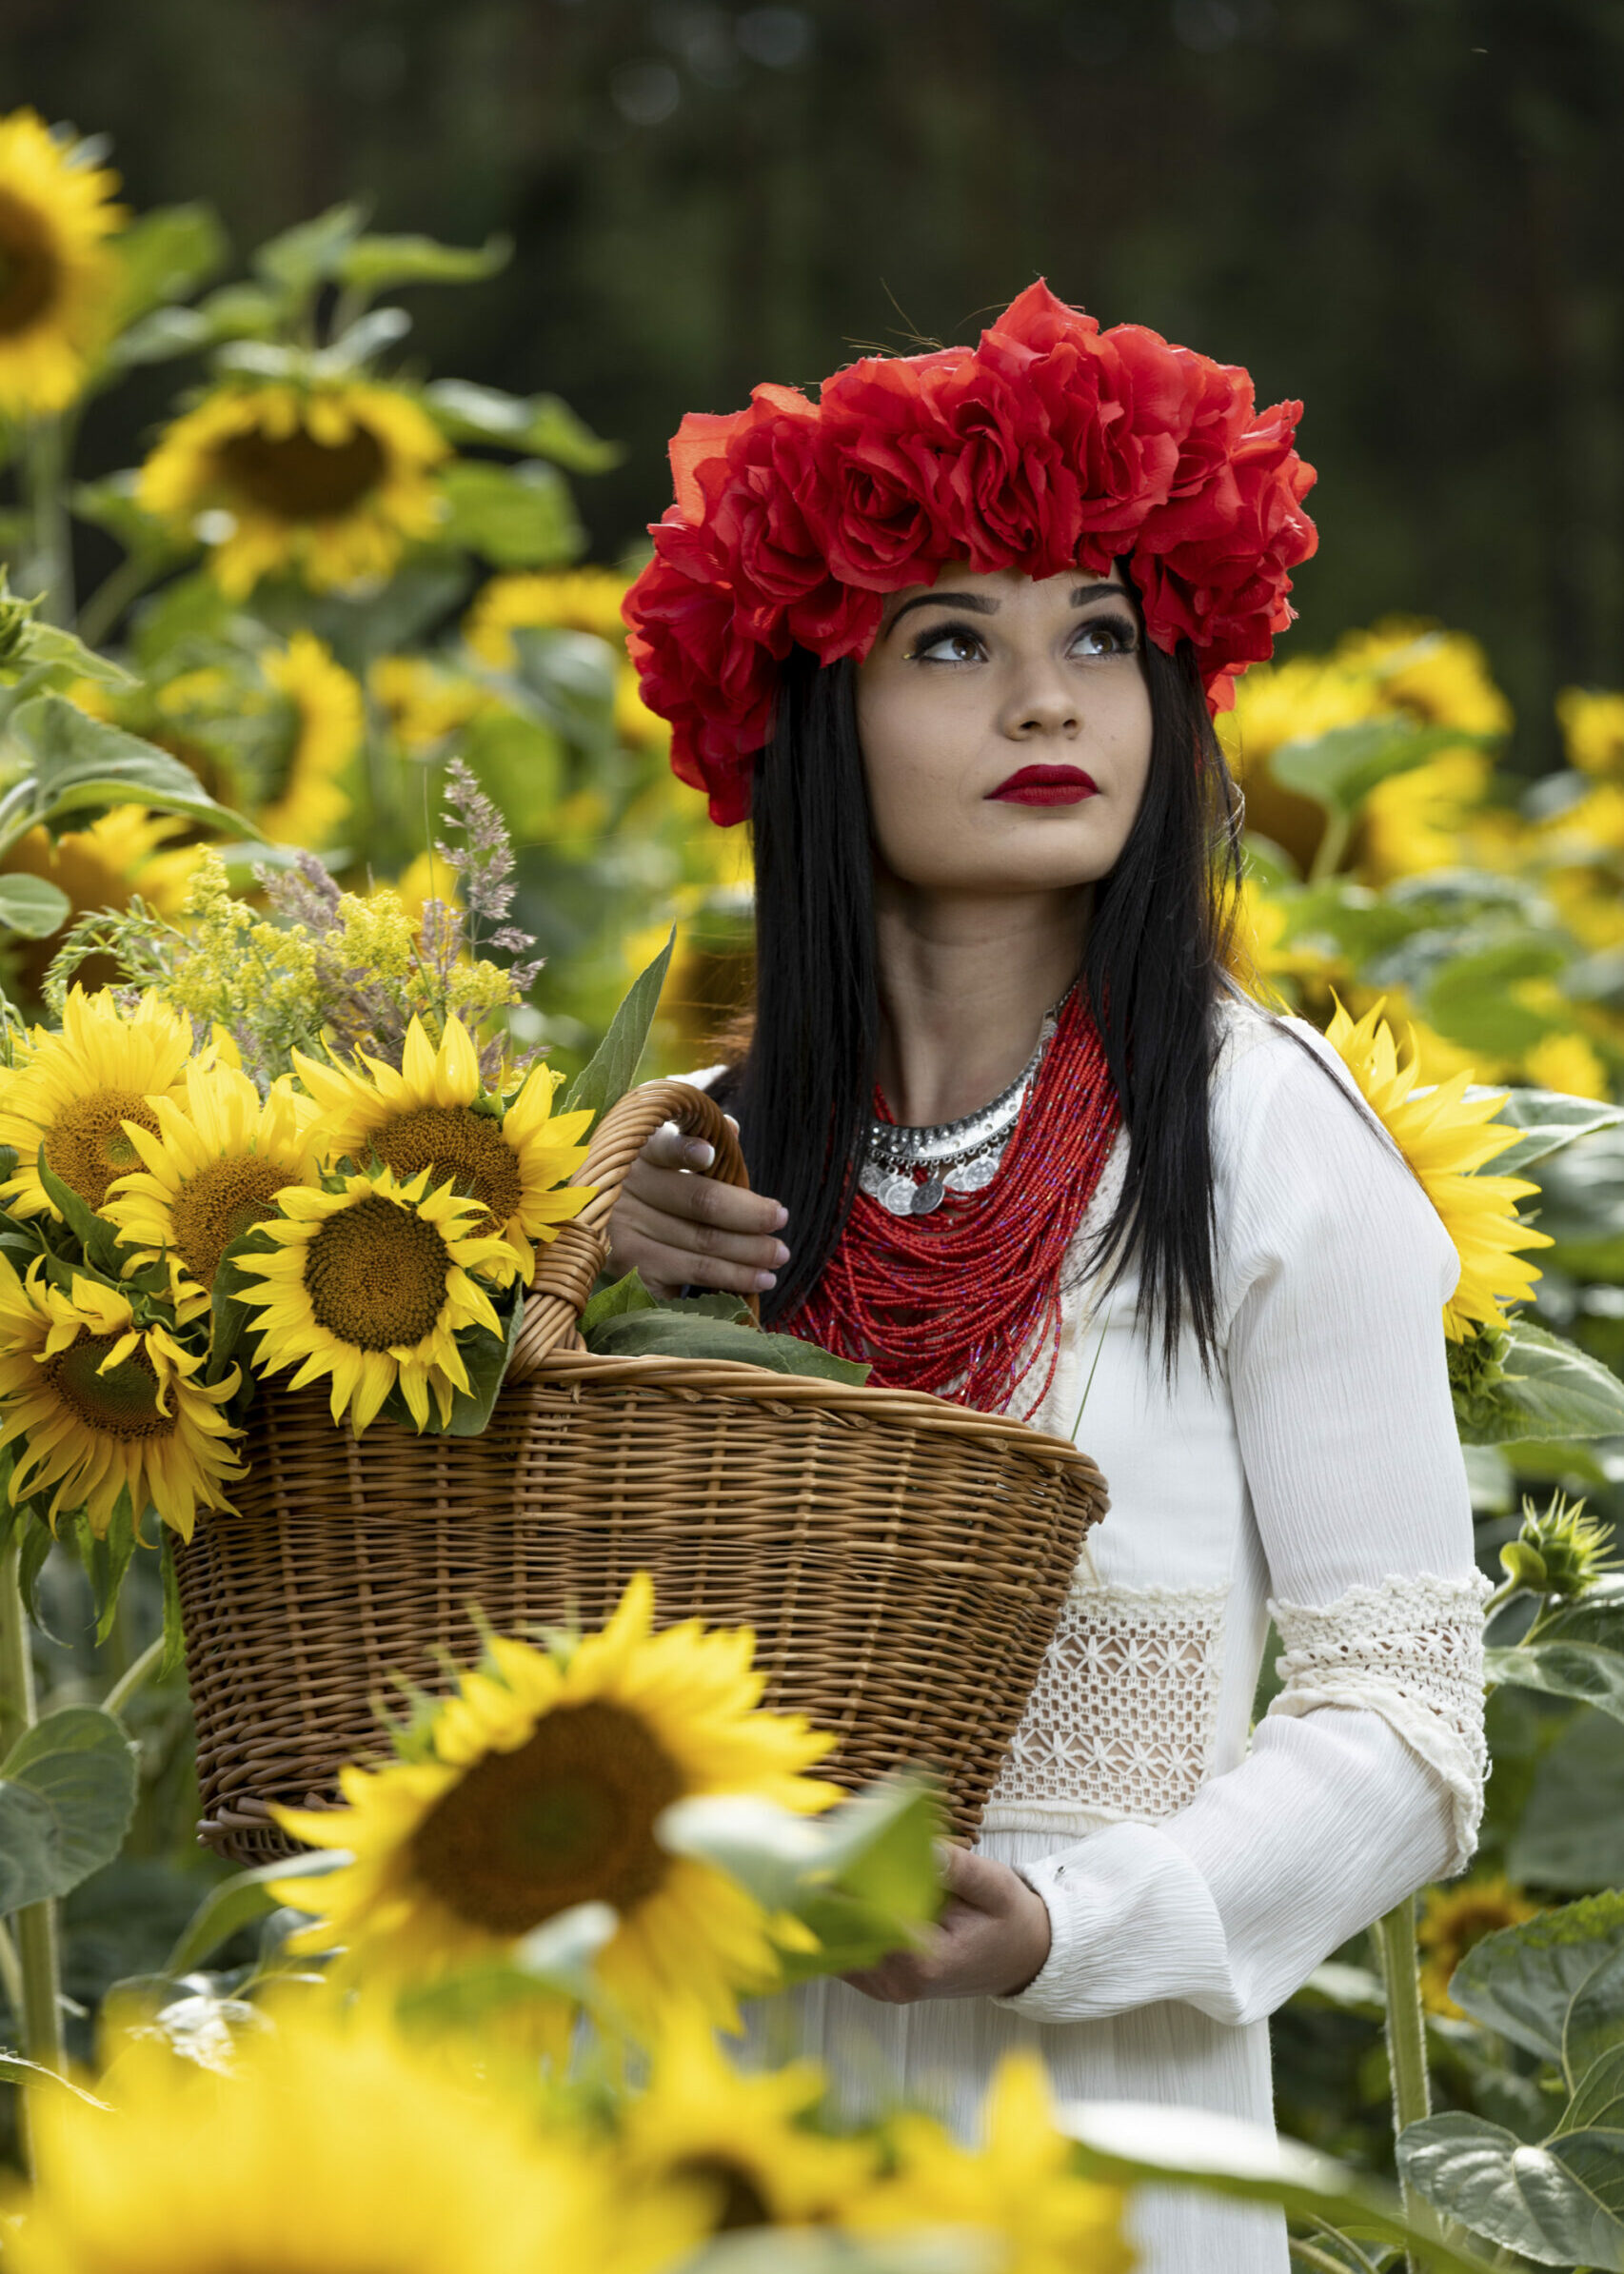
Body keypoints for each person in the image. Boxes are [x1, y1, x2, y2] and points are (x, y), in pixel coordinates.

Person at [607, 283, 1489, 2272]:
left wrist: (1070, 1924)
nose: (1048, 700)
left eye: (1100, 630)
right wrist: (562, 1283)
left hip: (1107, 2143)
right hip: (702, 2138)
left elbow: (1410, 1717)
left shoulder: (1267, 1137)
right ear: (805, 706)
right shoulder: (680, 1157)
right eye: (953, 639)